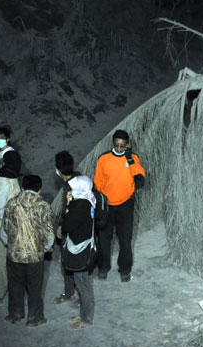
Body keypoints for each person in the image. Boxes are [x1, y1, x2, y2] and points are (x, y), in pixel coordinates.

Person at [93, 129, 146, 282]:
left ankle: (124, 269)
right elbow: (98, 182)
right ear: (113, 143)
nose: (119, 148)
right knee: (104, 239)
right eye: (117, 145)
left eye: (123, 146)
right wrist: (98, 203)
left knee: (125, 239)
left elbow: (140, 177)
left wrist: (129, 157)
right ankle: (103, 267)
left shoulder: (132, 157)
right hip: (107, 205)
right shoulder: (104, 158)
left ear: (127, 145)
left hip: (125, 205)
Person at [2, 174, 54, 326]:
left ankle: (15, 314)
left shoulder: (11, 204)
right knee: (35, 288)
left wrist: (11, 246)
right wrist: (44, 249)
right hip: (35, 256)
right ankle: (34, 318)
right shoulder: (43, 206)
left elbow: (4, 231)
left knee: (15, 286)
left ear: (22, 187)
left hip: (14, 255)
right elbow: (49, 234)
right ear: (39, 189)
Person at [58, 175, 96, 329]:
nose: (71, 191)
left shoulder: (79, 205)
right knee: (83, 283)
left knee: (83, 285)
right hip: (85, 246)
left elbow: (67, 226)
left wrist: (69, 207)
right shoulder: (89, 200)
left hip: (79, 249)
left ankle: (86, 319)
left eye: (74, 189)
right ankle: (84, 314)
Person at [0, 150, 22, 305]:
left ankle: (13, 286)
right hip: (3, 225)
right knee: (1, 259)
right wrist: (9, 225)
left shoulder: (12, 176)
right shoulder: (3, 181)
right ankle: (0, 291)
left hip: (13, 223)